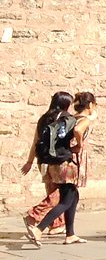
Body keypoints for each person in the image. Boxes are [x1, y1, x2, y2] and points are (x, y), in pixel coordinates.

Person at [27, 93, 96, 245]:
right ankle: (39, 228)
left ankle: (70, 234)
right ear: (90, 105)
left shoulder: (69, 117)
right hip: (70, 164)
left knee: (73, 197)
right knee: (66, 200)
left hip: (59, 163)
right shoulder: (83, 120)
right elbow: (78, 131)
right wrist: (80, 144)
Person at [20, 91, 74, 237]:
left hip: (43, 159)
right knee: (59, 193)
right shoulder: (64, 119)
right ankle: (34, 215)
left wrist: (30, 161)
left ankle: (57, 224)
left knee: (51, 189)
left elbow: (35, 141)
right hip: (58, 160)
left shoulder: (43, 119)